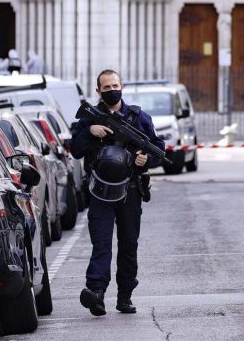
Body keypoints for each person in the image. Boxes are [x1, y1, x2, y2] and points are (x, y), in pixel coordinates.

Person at [70, 69, 164, 316]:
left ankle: (125, 296)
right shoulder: (90, 118)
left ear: (122, 87)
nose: (112, 90)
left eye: (115, 86)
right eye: (107, 87)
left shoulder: (138, 118)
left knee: (128, 245)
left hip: (130, 191)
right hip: (100, 192)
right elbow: (75, 150)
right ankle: (96, 293)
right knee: (101, 243)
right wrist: (90, 132)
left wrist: (147, 160)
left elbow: (157, 148)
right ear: (98, 91)